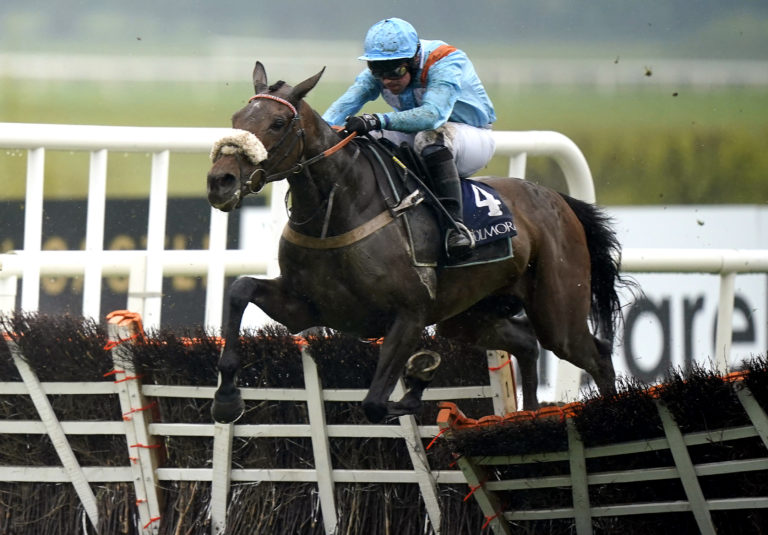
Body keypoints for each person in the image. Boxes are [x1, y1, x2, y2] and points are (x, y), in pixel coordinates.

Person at [322, 17, 497, 259]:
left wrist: (378, 119)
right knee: (359, 136)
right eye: (378, 71)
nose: (386, 80)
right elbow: (341, 109)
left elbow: (432, 116)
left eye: (395, 71)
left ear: (415, 59)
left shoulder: (444, 60)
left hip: (471, 137)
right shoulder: (385, 69)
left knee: (428, 137)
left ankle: (455, 229)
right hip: (421, 134)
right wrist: (321, 134)